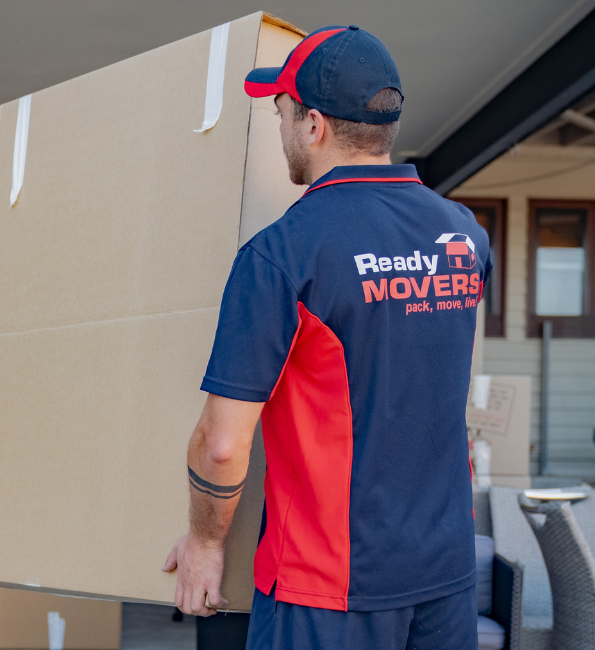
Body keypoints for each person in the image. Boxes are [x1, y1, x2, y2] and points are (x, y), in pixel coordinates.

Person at [163, 26, 490, 650]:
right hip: (446, 579)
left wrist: (206, 542)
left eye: (282, 112)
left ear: (313, 125)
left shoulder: (283, 253)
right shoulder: (465, 235)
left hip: (327, 589)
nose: (280, 128)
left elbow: (224, 445)